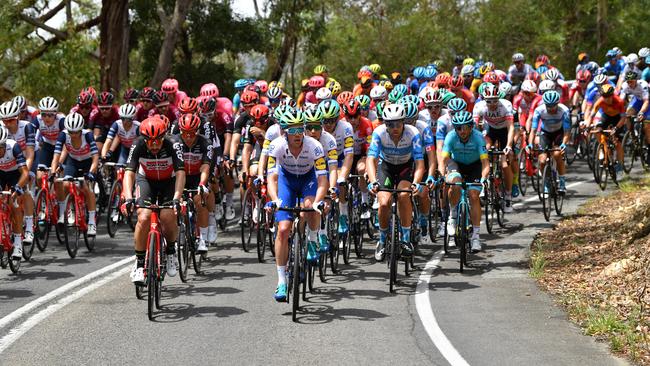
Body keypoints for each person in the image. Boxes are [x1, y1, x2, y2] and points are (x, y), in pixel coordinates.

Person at [265, 108, 328, 301]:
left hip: (308, 179)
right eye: (292, 130)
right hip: (287, 181)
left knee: (309, 207)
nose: (298, 134)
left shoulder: (315, 146)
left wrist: (318, 203)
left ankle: (313, 238)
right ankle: (282, 281)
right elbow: (272, 178)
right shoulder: (276, 146)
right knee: (283, 229)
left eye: (300, 129)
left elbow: (323, 181)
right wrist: (275, 200)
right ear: (284, 132)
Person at [122, 116, 185, 283]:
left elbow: (180, 173)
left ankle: (171, 251)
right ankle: (140, 263)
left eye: (158, 140)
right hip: (147, 180)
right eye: (150, 141)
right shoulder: (138, 145)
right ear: (144, 139)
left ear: (164, 137)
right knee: (143, 217)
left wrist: (177, 198)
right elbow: (129, 172)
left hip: (169, 181)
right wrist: (128, 198)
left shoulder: (173, 144)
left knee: (167, 215)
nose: (155, 144)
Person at [367, 103, 425, 261]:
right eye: (390, 124)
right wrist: (372, 182)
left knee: (404, 195)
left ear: (404, 122)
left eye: (398, 123)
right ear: (385, 124)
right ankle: (382, 239)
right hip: (386, 166)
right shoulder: (379, 133)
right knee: (384, 202)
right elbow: (371, 159)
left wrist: (417, 182)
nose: (395, 128)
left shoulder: (412, 133)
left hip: (405, 167)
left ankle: (406, 239)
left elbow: (420, 163)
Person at [440, 111, 489, 252]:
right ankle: (453, 215)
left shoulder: (478, 138)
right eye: (459, 128)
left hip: (475, 166)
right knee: (454, 183)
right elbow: (443, 160)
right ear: (455, 128)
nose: (462, 131)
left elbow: (485, 163)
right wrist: (443, 175)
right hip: (456, 164)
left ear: (471, 126)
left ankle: (475, 237)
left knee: (474, 195)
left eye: (465, 127)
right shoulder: (450, 137)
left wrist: (484, 180)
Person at [51, 113, 99, 236]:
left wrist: (91, 173)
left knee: (86, 188)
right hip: (73, 161)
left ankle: (92, 221)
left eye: (76, 132)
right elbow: (56, 155)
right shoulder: (63, 135)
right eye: (71, 132)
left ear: (80, 129)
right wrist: (53, 172)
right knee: (66, 184)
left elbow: (95, 158)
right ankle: (70, 209)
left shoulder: (87, 135)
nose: (73, 135)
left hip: (88, 162)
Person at [472, 83, 515, 212]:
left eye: (495, 100)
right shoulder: (479, 106)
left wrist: (508, 146)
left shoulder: (506, 106)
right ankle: (485, 185)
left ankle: (508, 195)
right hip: (490, 131)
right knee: (485, 152)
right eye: (489, 101)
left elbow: (510, 127)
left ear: (498, 98)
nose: (492, 104)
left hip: (504, 132)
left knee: (504, 165)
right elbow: (474, 129)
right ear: (484, 99)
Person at [0, 100, 36, 244]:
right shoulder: (1, 130)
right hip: (8, 161)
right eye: (4, 120)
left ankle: (28, 226)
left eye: (11, 120)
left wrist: (25, 175)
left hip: (27, 158)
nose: (8, 124)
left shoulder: (27, 127)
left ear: (18, 118)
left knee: (25, 187)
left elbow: (30, 153)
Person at [177, 113, 212, 254]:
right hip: (181, 176)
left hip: (198, 176)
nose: (189, 137)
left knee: (200, 201)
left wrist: (202, 184)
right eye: (185, 133)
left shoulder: (205, 143)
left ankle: (203, 238)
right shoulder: (175, 143)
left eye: (192, 133)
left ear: (197, 130)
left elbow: (205, 166)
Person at [527, 90, 571, 193]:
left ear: (557, 104)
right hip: (545, 133)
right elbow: (533, 130)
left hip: (559, 133)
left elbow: (567, 131)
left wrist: (564, 144)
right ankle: (546, 183)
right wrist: (529, 144)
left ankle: (562, 182)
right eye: (548, 106)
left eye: (553, 106)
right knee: (542, 160)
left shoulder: (564, 110)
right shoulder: (539, 110)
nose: (551, 108)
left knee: (557, 155)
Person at [584, 84, 627, 180]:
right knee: (597, 129)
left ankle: (620, 167)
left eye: (608, 96)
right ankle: (602, 147)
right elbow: (592, 115)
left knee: (618, 144)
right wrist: (587, 127)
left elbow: (623, 117)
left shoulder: (619, 102)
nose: (606, 98)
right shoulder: (600, 101)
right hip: (606, 117)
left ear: (612, 95)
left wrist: (616, 128)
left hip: (618, 119)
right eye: (604, 96)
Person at [0, 126, 30, 259]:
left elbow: (25, 173)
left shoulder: (14, 147)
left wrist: (18, 187)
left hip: (14, 174)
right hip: (0, 174)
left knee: (14, 203)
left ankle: (17, 243)